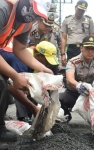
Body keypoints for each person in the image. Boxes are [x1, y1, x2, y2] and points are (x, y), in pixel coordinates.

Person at [0, 0, 53, 143]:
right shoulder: (3, 9)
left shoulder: (26, 24)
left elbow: (20, 49)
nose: (33, 16)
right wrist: (14, 75)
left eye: (38, 14)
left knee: (3, 87)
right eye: (33, 10)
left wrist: (41, 68)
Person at [0, 41, 59, 125]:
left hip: (5, 72)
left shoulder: (34, 58)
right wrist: (33, 108)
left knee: (28, 88)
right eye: (47, 61)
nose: (49, 64)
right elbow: (13, 87)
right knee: (6, 88)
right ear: (38, 55)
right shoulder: (20, 59)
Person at [59, 36, 94, 122]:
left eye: (93, 48)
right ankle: (66, 115)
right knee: (60, 99)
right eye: (87, 48)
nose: (90, 51)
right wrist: (78, 85)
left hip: (92, 91)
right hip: (76, 93)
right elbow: (69, 79)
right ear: (81, 48)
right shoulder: (73, 61)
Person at [61, 0, 94, 65]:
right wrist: (63, 54)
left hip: (85, 48)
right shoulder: (67, 20)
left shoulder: (89, 20)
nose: (80, 12)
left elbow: (92, 37)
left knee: (85, 69)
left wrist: (92, 51)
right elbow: (63, 38)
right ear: (75, 7)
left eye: (83, 10)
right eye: (79, 9)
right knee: (71, 68)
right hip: (72, 48)